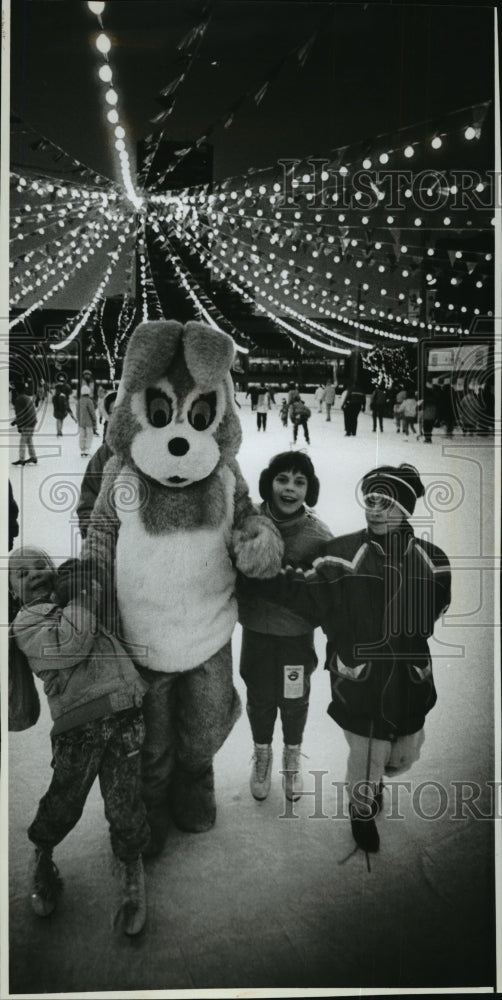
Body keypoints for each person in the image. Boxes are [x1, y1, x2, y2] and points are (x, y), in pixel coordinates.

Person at [241, 463, 451, 854]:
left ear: (404, 508)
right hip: (361, 679)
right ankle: (361, 810)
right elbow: (302, 591)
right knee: (366, 755)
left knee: (403, 754)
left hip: (409, 678)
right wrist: (257, 574)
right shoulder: (340, 555)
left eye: (385, 501)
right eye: (370, 499)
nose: (374, 509)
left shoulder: (434, 561)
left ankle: (378, 780)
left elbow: (436, 611)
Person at [9, 548, 150, 935]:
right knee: (64, 801)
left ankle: (131, 869)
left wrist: (87, 582)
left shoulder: (71, 600)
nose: (35, 573)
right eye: (21, 573)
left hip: (124, 713)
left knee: (126, 801)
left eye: (41, 566)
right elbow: (71, 643)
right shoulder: (27, 623)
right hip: (78, 730)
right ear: (14, 594)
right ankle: (41, 854)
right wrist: (82, 595)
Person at [237, 452, 333, 802]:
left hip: (296, 638)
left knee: (294, 699)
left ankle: (292, 758)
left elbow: (327, 592)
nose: (289, 488)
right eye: (282, 479)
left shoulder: (318, 535)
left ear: (310, 489)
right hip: (258, 634)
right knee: (260, 696)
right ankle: (262, 755)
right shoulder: (250, 521)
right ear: (269, 482)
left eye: (299, 481)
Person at [76, 392, 116, 539]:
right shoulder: (105, 453)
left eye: (121, 411)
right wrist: (91, 532)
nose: (117, 418)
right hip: (109, 543)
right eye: (112, 413)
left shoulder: (154, 450)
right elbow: (88, 496)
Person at [11, 382, 38, 466]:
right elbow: (27, 411)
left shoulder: (19, 399)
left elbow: (20, 414)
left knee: (23, 440)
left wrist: (19, 425)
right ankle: (33, 457)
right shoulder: (26, 397)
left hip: (27, 422)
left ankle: (21, 459)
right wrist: (16, 421)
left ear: (17, 391)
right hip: (32, 420)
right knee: (29, 439)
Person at [77, 384, 98, 457]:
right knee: (89, 436)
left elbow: (77, 412)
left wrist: (79, 420)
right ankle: (87, 450)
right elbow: (92, 412)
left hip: (82, 422)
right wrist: (95, 421)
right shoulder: (89, 401)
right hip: (89, 422)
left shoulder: (79, 401)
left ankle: (82, 450)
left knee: (82, 436)